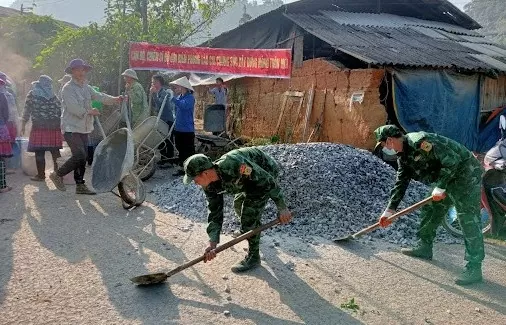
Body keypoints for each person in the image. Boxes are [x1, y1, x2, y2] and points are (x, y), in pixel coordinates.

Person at [375, 125, 485, 285]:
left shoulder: (419, 142)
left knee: (468, 220)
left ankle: (474, 268)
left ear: (390, 141)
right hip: (447, 178)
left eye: (384, 144)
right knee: (430, 208)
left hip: (466, 175)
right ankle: (425, 246)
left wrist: (440, 187)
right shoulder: (403, 156)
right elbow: (401, 182)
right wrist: (389, 210)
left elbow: (452, 162)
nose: (385, 149)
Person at [183, 148, 292, 273]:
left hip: (265, 172)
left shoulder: (235, 165)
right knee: (238, 204)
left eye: (195, 179)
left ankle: (253, 256)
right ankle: (251, 232)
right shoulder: (208, 185)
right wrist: (212, 242)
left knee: (249, 218)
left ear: (206, 173)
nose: (195, 183)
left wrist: (282, 207)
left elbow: (265, 181)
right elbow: (214, 212)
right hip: (247, 180)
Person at [49, 58, 122, 195]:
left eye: (83, 69)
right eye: (78, 69)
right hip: (71, 128)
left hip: (84, 128)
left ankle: (80, 185)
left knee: (83, 156)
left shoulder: (86, 87)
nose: (81, 72)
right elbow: (73, 108)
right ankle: (58, 174)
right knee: (80, 155)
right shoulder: (67, 89)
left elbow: (100, 96)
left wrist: (115, 99)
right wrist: (90, 111)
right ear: (72, 72)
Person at [21, 75, 63, 182]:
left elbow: (27, 110)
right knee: (55, 151)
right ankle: (58, 174)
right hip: (53, 127)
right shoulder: (53, 95)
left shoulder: (32, 93)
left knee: (39, 151)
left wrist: (23, 124)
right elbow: (59, 110)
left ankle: (41, 175)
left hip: (39, 126)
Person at [169, 76, 196, 177]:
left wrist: (173, 99)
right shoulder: (179, 97)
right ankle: (182, 168)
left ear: (183, 87)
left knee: (187, 150)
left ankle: (190, 169)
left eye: (177, 87)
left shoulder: (190, 98)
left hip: (187, 129)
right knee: (180, 149)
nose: (176, 88)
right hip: (179, 128)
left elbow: (184, 106)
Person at [150, 74, 175, 168]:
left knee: (167, 139)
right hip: (161, 119)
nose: (152, 84)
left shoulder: (164, 92)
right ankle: (164, 158)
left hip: (167, 119)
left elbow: (161, 104)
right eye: (152, 82)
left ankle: (169, 160)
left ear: (159, 83)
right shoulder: (158, 92)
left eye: (154, 82)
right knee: (161, 139)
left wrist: (154, 95)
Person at [0, 74, 12, 193]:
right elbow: (6, 114)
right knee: (1, 158)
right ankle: (2, 186)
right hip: (0, 127)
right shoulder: (2, 96)